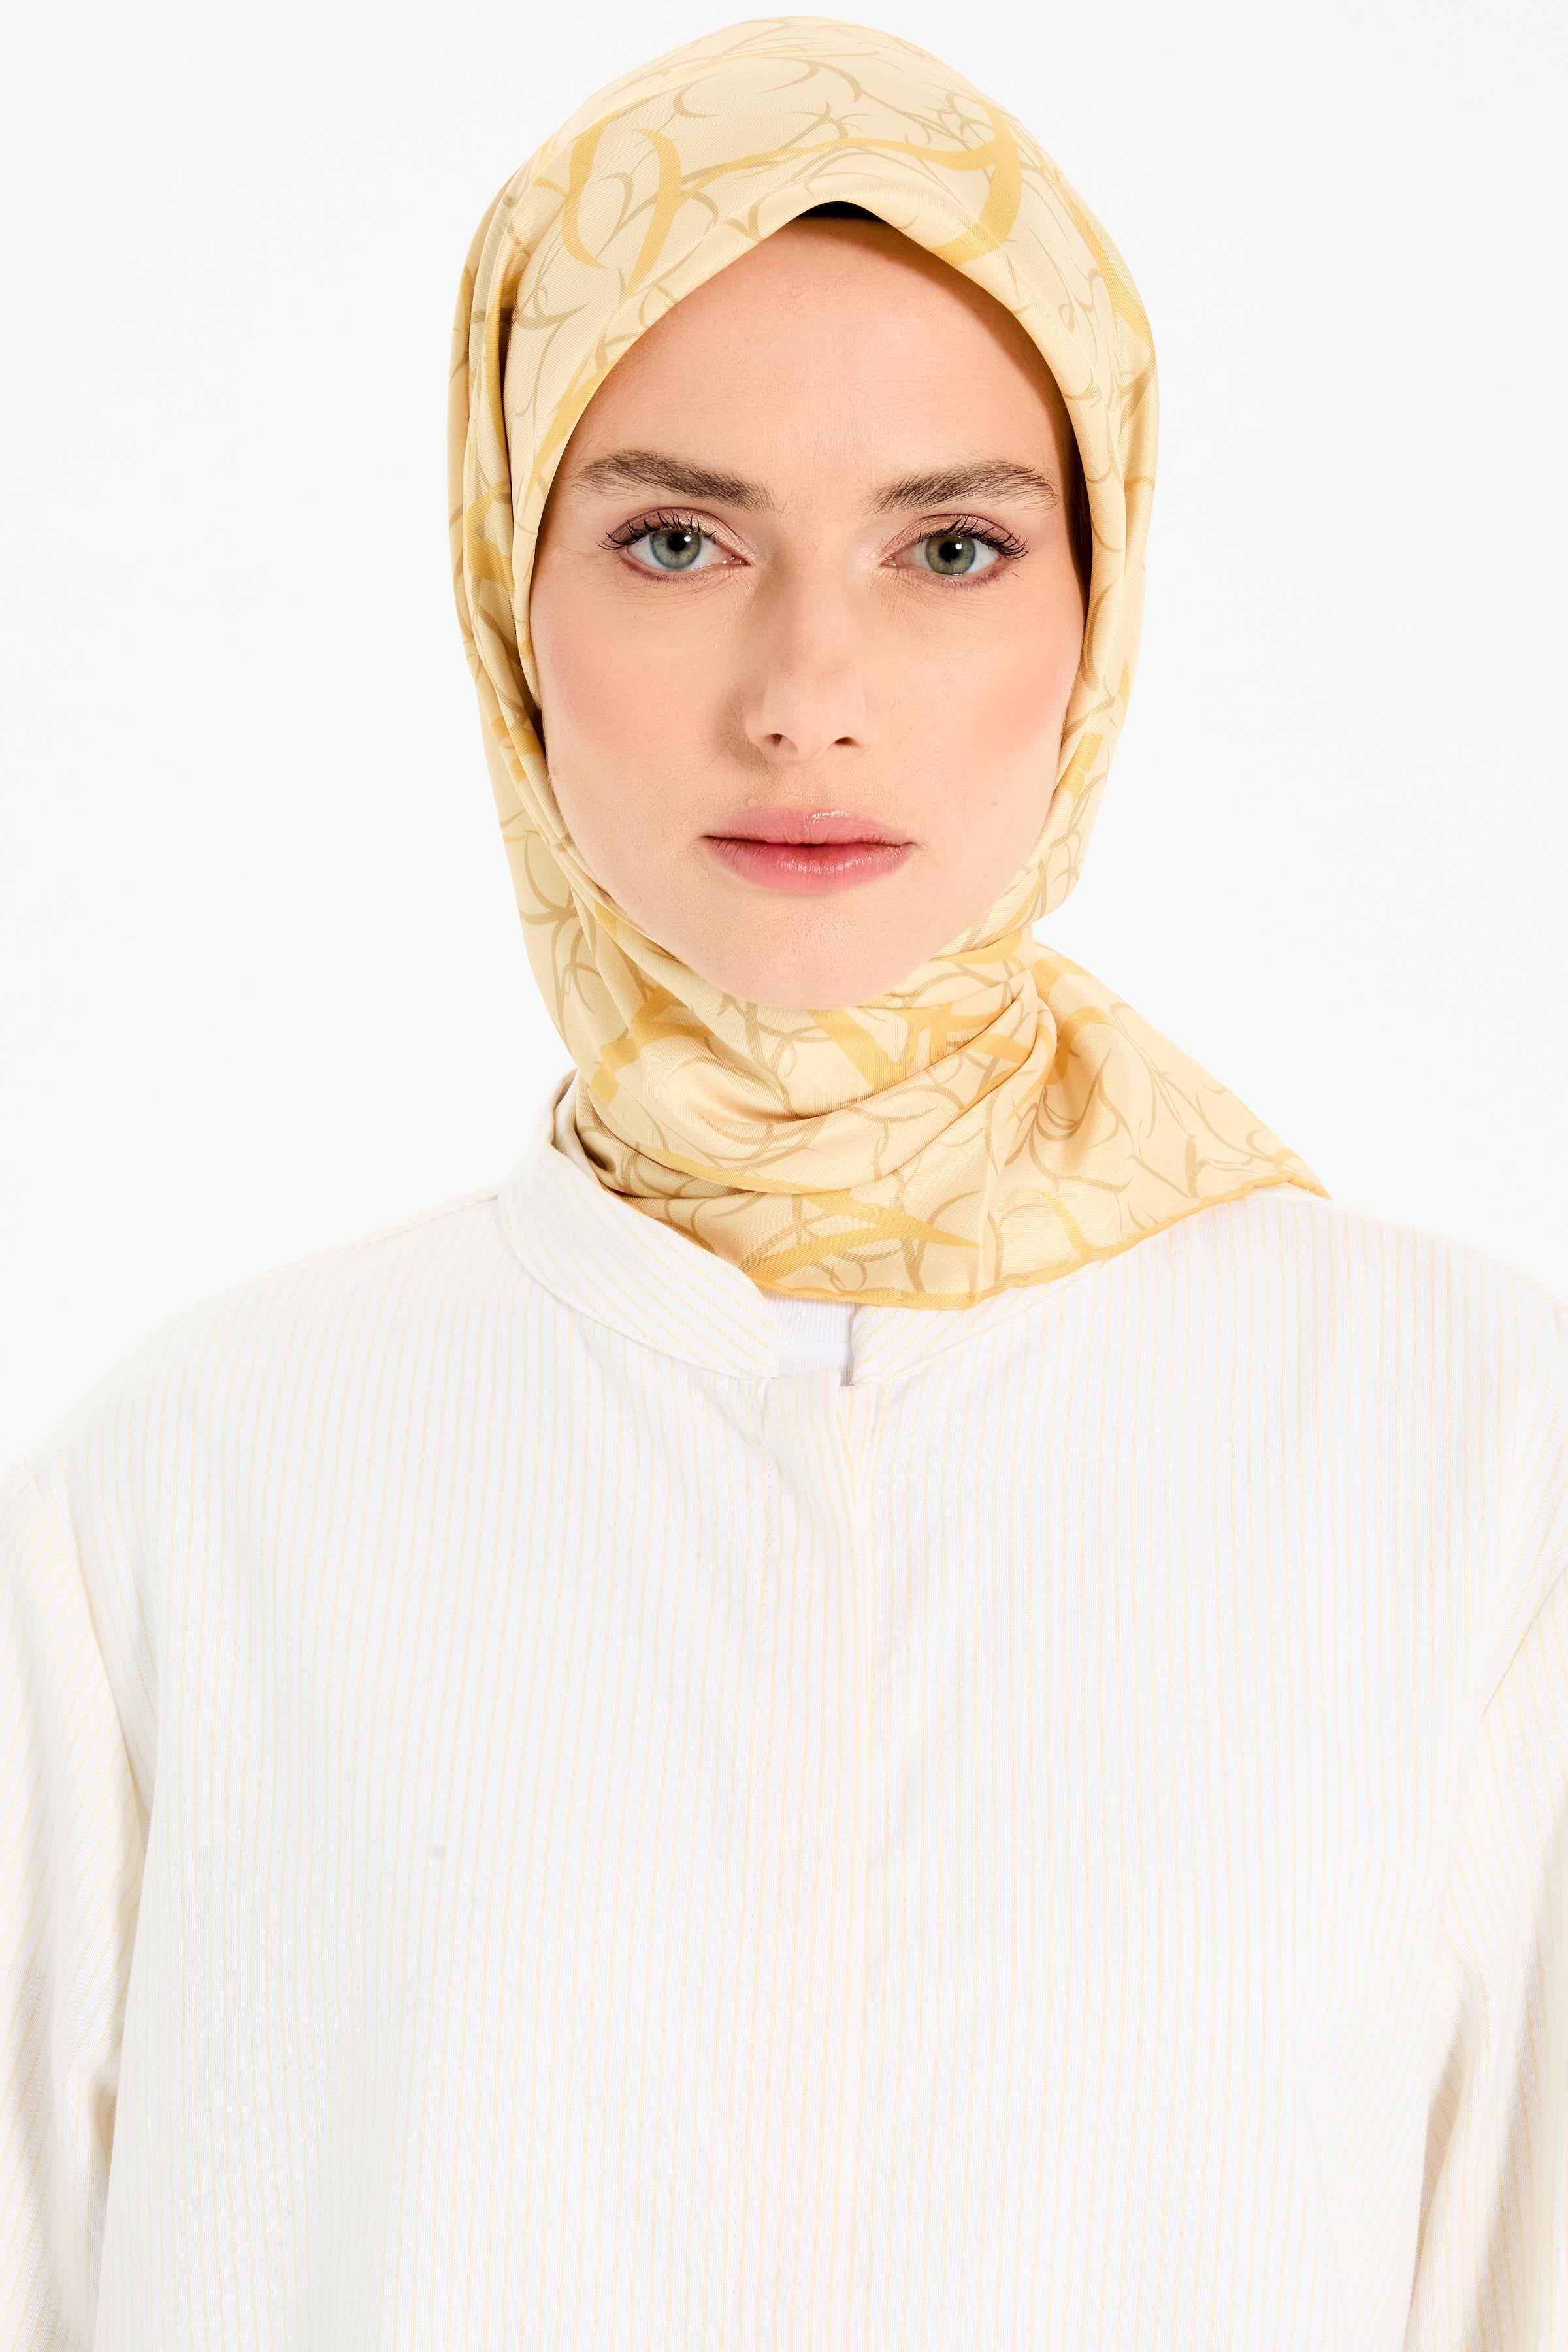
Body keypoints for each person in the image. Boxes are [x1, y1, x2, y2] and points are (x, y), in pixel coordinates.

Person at [3, 16, 1563, 2347]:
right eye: (675, 539)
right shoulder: (190, 1489)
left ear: (1097, 604)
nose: (809, 690)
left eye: (951, 547)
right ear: (508, 596)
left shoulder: (1468, 1447)